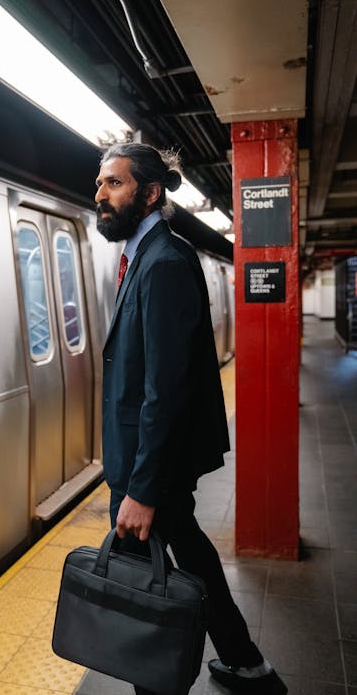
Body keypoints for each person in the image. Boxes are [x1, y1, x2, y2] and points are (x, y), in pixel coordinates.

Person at [95, 142, 287, 695]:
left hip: (147, 466)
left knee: (141, 587)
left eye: (115, 184)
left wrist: (144, 488)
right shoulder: (146, 257)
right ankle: (247, 665)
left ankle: (160, 681)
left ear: (151, 193)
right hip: (148, 461)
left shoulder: (165, 262)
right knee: (189, 556)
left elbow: (167, 389)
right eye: (101, 182)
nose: (101, 194)